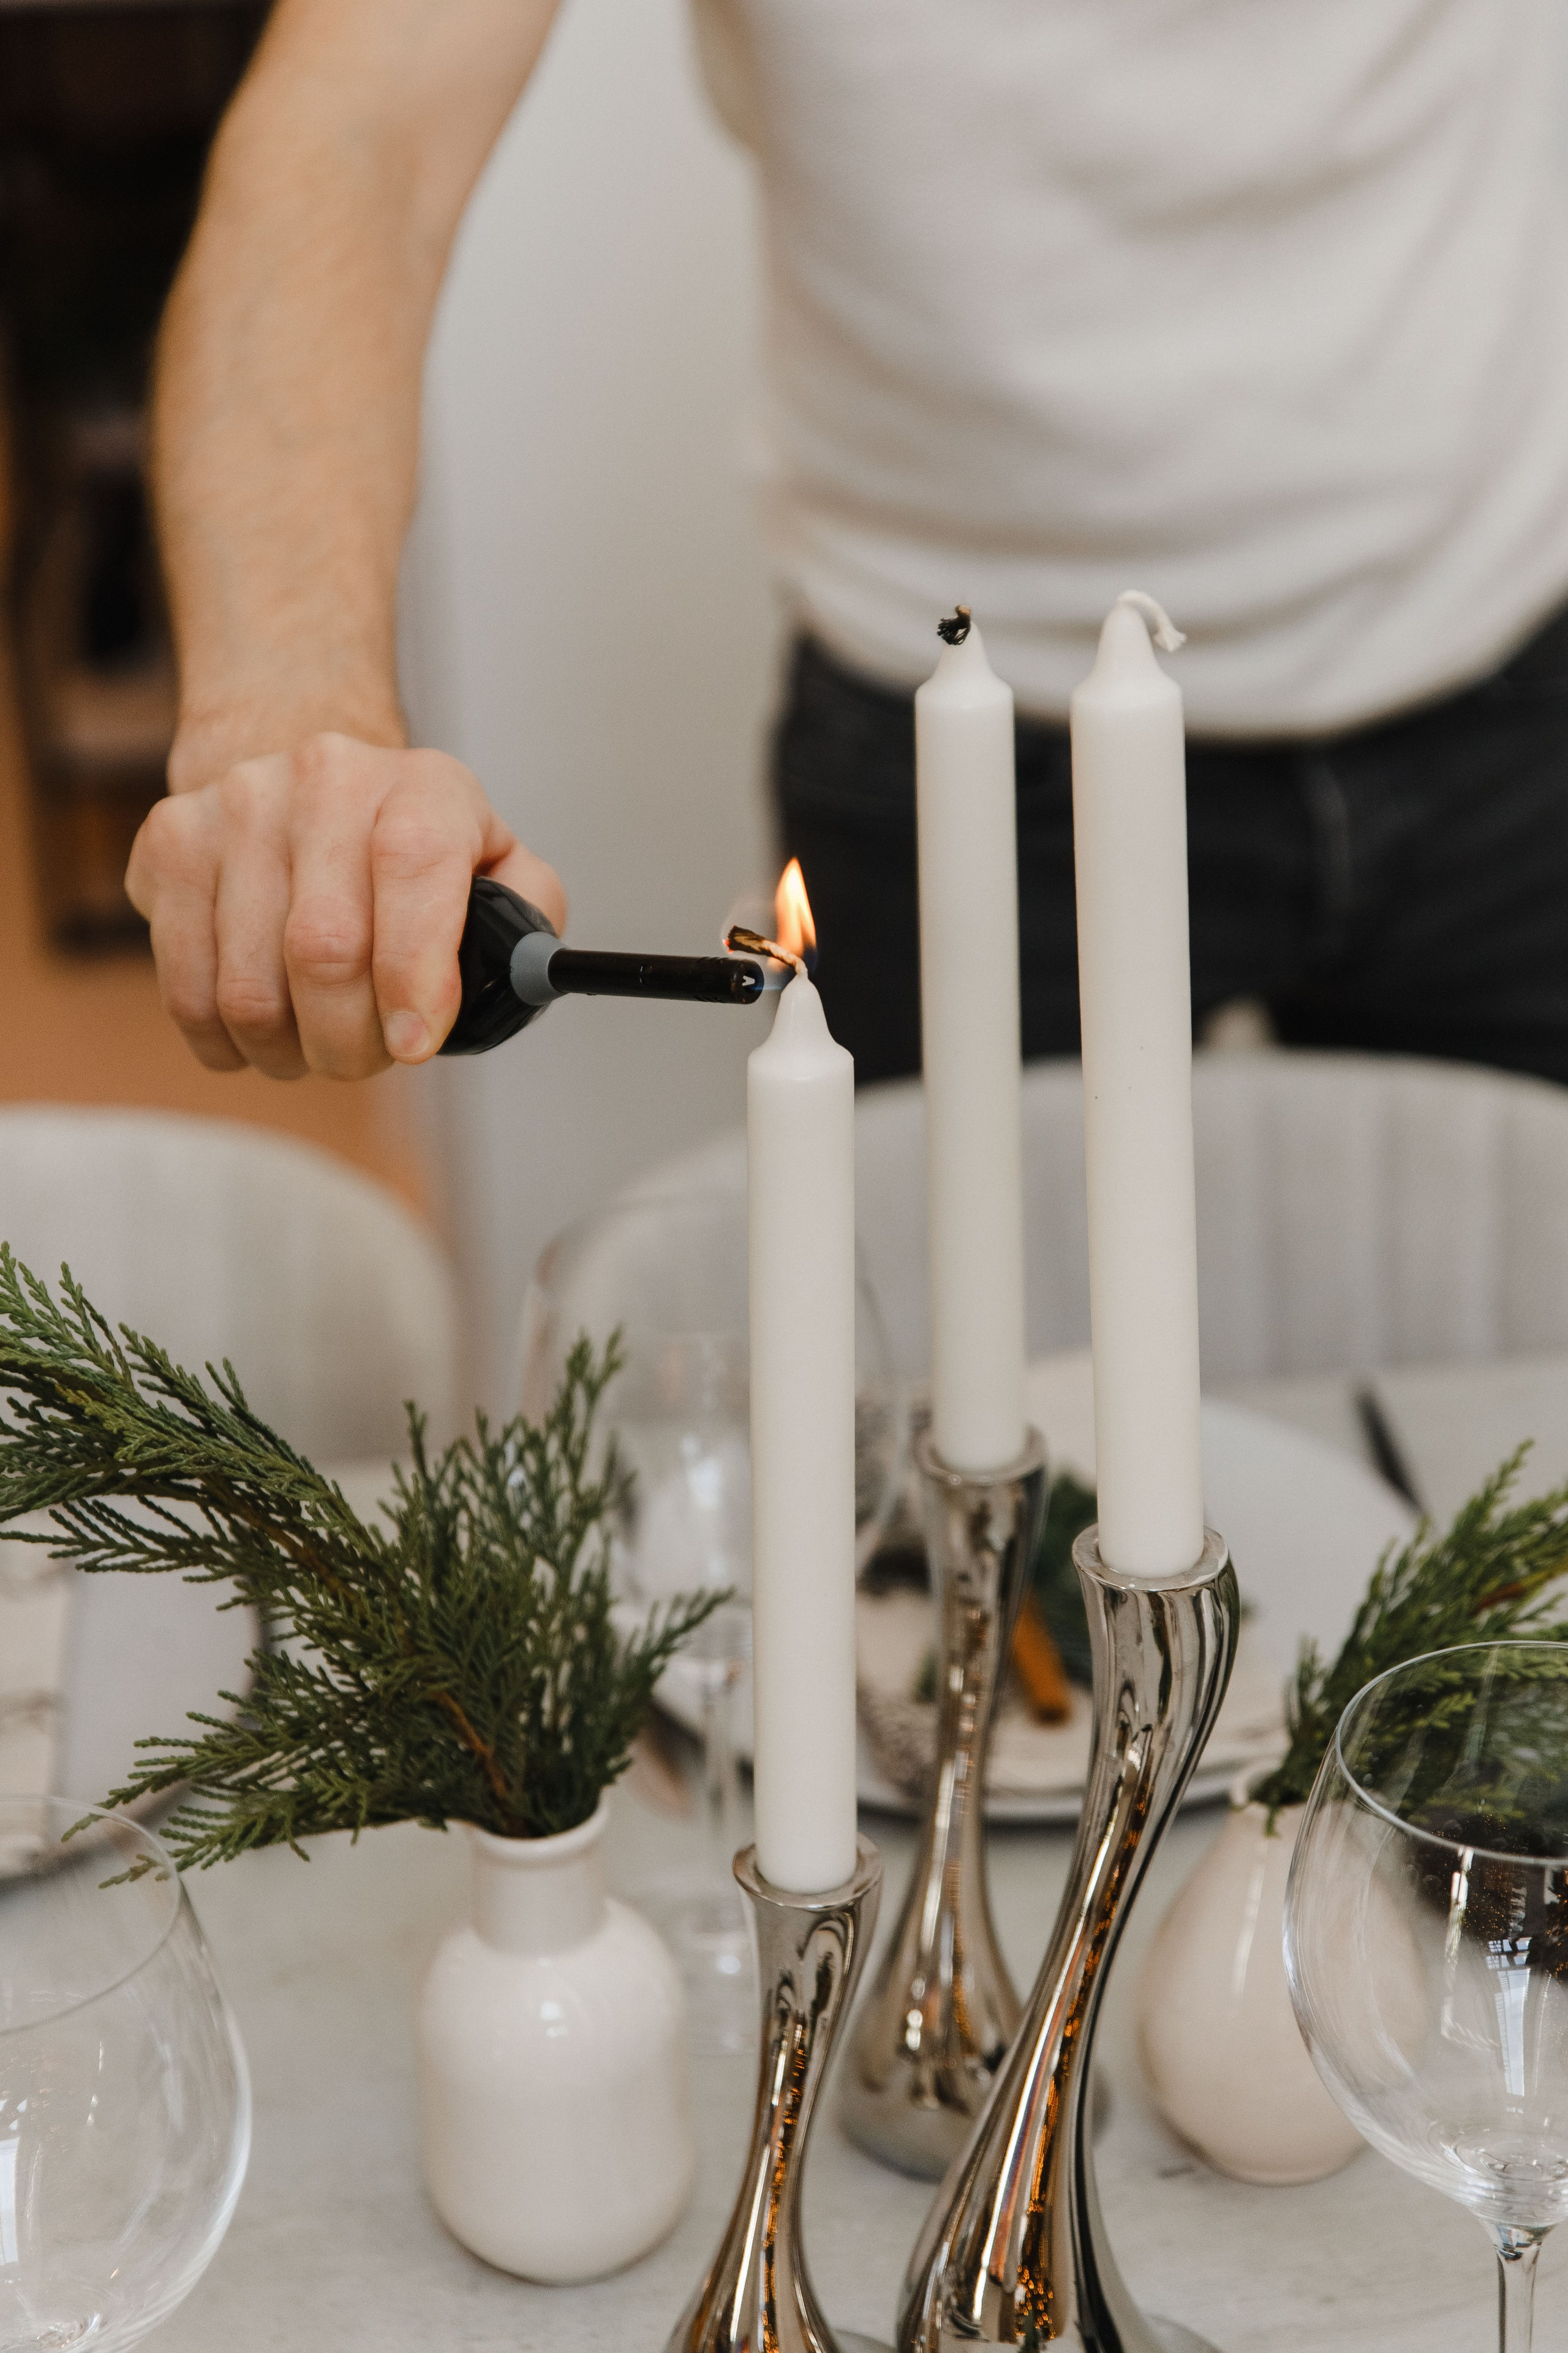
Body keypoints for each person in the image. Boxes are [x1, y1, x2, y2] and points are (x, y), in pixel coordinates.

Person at [131, 0, 1568, 1087]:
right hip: (954, 763)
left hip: (1511, 687)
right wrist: (291, 716)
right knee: (982, 1436)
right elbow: (356, 129)